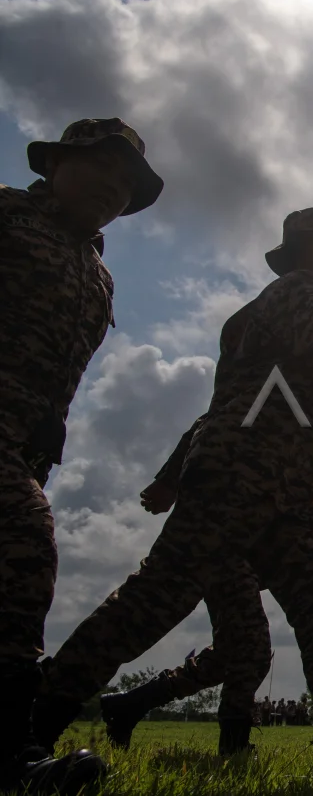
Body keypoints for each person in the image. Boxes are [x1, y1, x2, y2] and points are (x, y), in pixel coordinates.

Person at [31, 206, 313, 784]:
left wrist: (173, 474)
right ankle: (30, 725)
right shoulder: (300, 292)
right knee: (153, 602)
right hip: (240, 476)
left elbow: (224, 406)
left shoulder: (278, 304)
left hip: (277, 484)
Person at [0, 117, 164, 794]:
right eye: (100, 167)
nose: (112, 189)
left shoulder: (99, 276)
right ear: (56, 164)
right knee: (25, 547)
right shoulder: (8, 216)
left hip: (23, 447)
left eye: (126, 184)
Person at [99, 415, 273, 756]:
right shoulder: (261, 398)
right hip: (219, 536)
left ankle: (131, 704)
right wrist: (168, 480)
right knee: (251, 648)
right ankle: (234, 746)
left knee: (233, 652)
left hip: (234, 539)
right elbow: (213, 419)